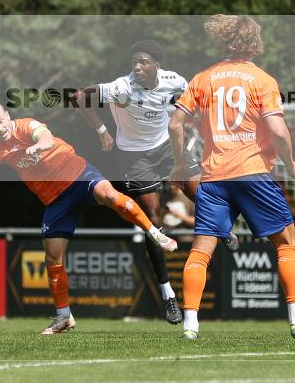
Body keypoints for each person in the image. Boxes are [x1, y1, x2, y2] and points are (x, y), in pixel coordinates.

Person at [0, 101, 178, 335]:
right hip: (55, 199)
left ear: (8, 116)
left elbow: (45, 138)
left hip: (77, 174)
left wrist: (35, 147)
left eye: (1, 120)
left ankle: (155, 233)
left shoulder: (26, 126)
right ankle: (64, 316)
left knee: (109, 195)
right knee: (52, 257)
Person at [168, 14, 295, 340]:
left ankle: (190, 326)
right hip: (254, 174)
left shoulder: (202, 78)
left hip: (214, 176)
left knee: (201, 250)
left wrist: (180, 165)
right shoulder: (263, 80)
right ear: (254, 42)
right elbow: (277, 130)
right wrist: (291, 161)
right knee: (286, 243)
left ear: (222, 40)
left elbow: (175, 125)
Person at [75, 40, 237, 326]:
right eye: (134, 61)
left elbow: (194, 102)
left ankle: (223, 228)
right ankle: (168, 296)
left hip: (166, 148)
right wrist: (102, 130)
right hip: (135, 158)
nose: (137, 66)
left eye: (144, 62)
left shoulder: (173, 80)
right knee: (152, 222)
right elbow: (79, 96)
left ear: (157, 66)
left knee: (201, 193)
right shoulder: (120, 87)